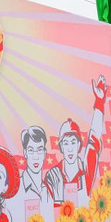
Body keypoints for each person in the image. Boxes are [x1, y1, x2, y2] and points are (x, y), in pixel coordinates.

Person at [45, 76, 107, 207]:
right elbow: (46, 211)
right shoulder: (53, 175)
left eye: (73, 142)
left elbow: (94, 139)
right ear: (61, 147)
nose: (70, 148)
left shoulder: (85, 170)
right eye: (65, 143)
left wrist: (100, 103)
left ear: (79, 145)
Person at [8, 126, 54, 222]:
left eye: (39, 150)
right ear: (25, 153)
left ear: (45, 153)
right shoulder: (15, 190)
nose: (36, 156)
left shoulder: (48, 192)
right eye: (31, 150)